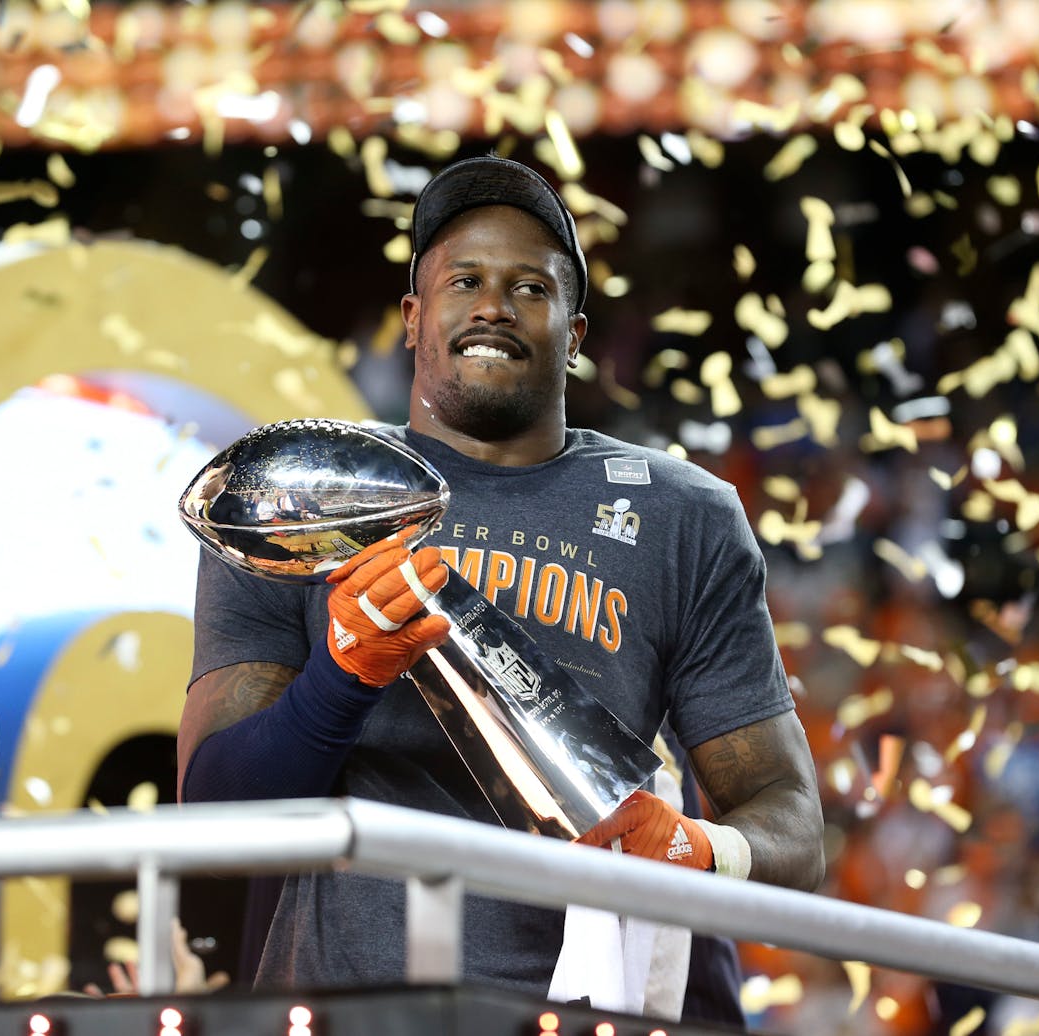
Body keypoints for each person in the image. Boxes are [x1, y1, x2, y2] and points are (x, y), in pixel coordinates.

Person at [178, 155, 824, 1007]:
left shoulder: (683, 517)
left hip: (584, 1010)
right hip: (350, 1013)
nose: (493, 305)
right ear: (413, 318)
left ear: (577, 335)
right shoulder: (300, 492)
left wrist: (702, 850)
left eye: (530, 288)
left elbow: (793, 828)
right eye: (465, 281)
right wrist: (340, 680)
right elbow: (216, 815)